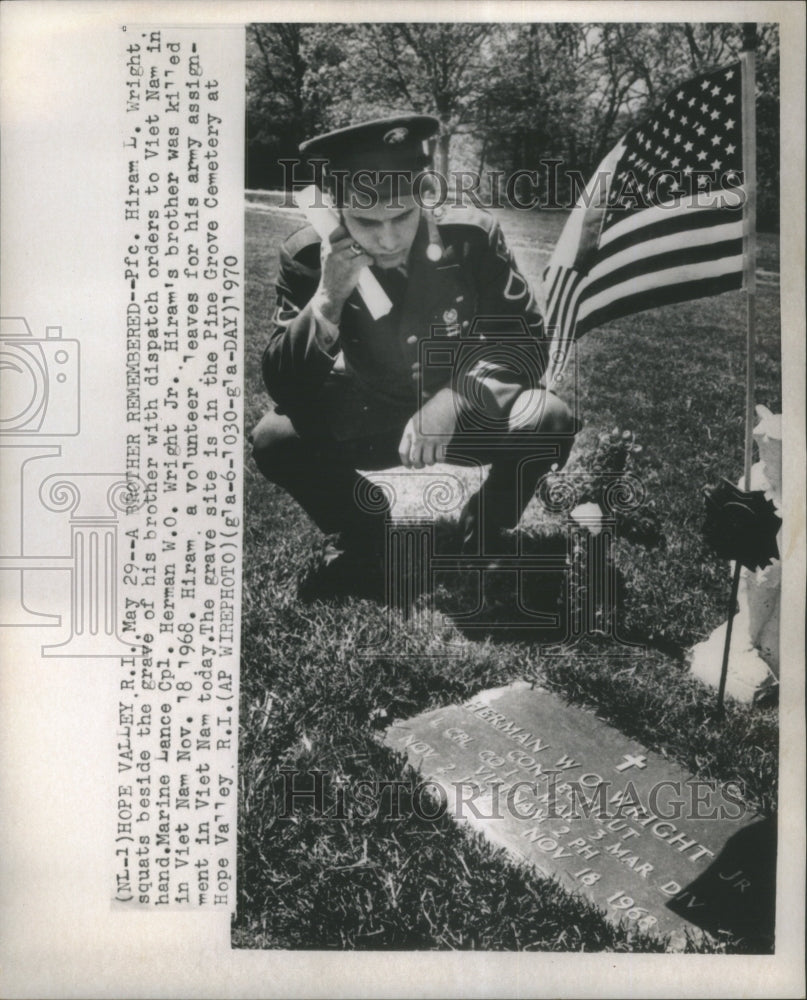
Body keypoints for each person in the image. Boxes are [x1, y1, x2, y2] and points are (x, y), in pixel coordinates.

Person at [251, 114, 579, 599]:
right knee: (275, 439)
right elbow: (285, 386)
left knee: (548, 417)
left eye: (401, 217)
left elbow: (526, 343)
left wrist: (455, 397)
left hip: (463, 413)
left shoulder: (472, 237)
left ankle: (483, 532)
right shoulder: (307, 255)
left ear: (424, 196)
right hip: (368, 411)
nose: (386, 239)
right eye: (365, 221)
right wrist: (327, 299)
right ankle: (365, 531)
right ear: (337, 211)